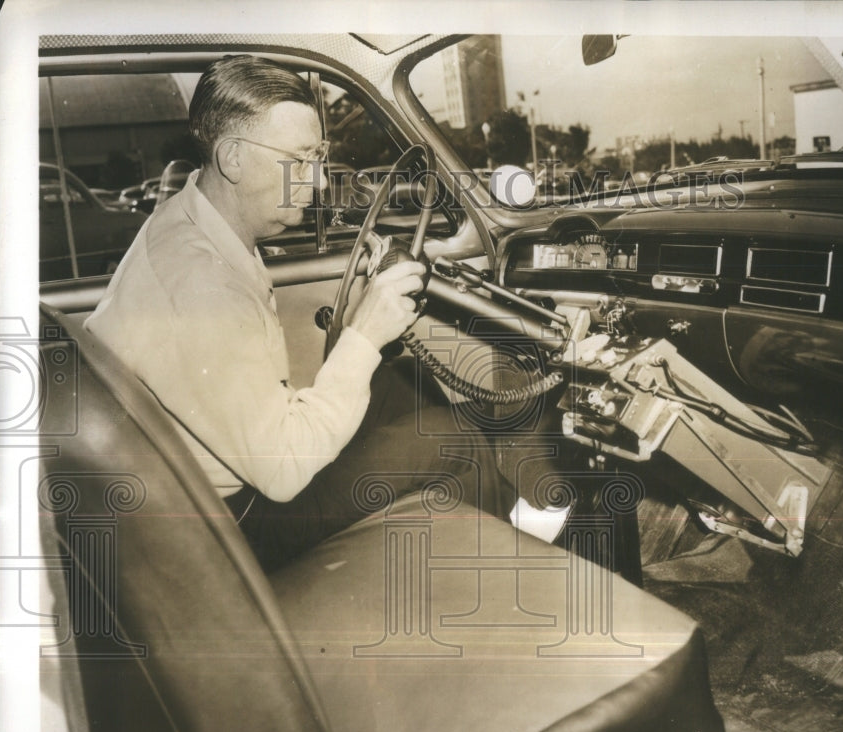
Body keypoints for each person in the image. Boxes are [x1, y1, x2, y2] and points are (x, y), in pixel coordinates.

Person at [85, 55, 557, 571]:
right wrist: (363, 333)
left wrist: (364, 328)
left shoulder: (192, 223)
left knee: (400, 380)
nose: (318, 183)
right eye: (299, 159)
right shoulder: (198, 286)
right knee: (453, 441)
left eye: (319, 156)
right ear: (233, 157)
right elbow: (283, 472)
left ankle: (498, 516)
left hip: (216, 482)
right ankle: (506, 578)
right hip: (233, 525)